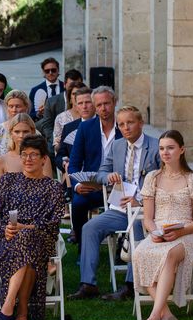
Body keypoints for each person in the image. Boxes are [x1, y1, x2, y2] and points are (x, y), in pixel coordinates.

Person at [69, 106, 161, 301]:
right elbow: (100, 173)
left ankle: (129, 285)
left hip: (145, 210)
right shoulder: (117, 146)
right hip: (120, 207)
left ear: (141, 123)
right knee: (90, 227)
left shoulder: (155, 147)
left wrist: (142, 202)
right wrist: (107, 176)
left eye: (130, 122)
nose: (125, 127)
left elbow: (165, 182)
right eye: (121, 124)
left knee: (136, 227)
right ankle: (88, 284)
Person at [133, 130, 193, 320]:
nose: (165, 152)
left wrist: (180, 230)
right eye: (162, 148)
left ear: (181, 150)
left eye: (170, 148)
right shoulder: (152, 178)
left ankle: (154, 317)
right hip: (159, 232)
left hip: (186, 234)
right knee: (140, 254)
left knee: (169, 255)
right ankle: (167, 315)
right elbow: (148, 218)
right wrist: (154, 232)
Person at [0, 135, 64, 320]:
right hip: (9, 241)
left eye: (34, 155)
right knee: (26, 244)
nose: (28, 159)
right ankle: (21, 311)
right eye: (24, 155)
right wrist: (5, 229)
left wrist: (26, 228)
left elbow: (53, 224)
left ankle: (8, 305)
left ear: (44, 159)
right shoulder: (8, 181)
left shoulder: (53, 187)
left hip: (41, 239)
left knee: (28, 238)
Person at [66, 86, 121, 249]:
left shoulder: (124, 127)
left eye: (107, 103)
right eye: (98, 105)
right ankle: (83, 248)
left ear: (114, 102)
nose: (103, 109)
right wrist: (77, 185)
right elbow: (74, 163)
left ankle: (121, 248)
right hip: (93, 186)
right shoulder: (85, 128)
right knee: (78, 203)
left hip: (119, 186)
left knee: (124, 206)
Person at [0, 115, 53, 194]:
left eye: (25, 131)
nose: (21, 136)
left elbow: (49, 190)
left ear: (33, 132)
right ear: (11, 133)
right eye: (17, 132)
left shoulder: (43, 159)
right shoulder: (1, 161)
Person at [0, 89, 31, 180]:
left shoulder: (34, 133)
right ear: (6, 108)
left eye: (18, 106)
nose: (14, 110)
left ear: (26, 107)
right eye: (11, 106)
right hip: (1, 182)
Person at [37, 69, 83, 147]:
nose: (75, 88)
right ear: (64, 85)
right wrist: (56, 143)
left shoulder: (90, 100)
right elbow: (47, 126)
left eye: (78, 84)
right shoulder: (51, 102)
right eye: (71, 85)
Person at [50, 81, 86, 152]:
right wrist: (61, 144)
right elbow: (56, 147)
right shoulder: (61, 118)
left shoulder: (90, 116)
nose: (77, 96)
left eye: (80, 93)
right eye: (74, 94)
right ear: (69, 98)